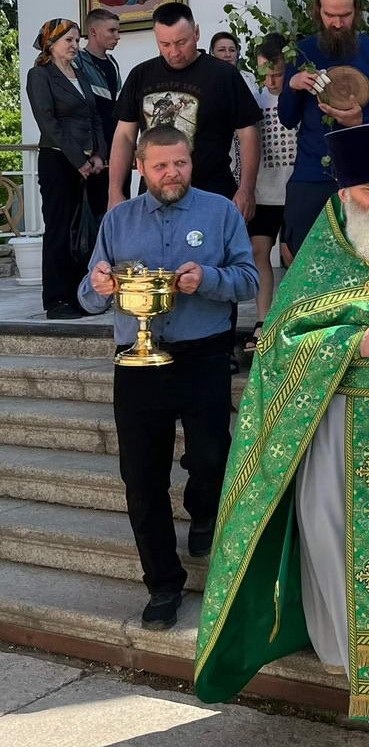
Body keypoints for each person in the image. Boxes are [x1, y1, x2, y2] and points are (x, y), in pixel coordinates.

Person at [193, 120, 369, 747]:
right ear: (345, 192)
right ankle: (361, 674)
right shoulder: (322, 255)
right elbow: (278, 348)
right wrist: (355, 342)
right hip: (340, 435)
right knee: (340, 553)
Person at [78, 126, 258, 630]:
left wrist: (209, 278)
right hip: (136, 361)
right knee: (141, 477)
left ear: (191, 161)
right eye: (160, 166)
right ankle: (162, 583)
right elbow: (88, 296)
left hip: (203, 355)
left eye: (180, 163)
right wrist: (98, 285)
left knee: (211, 456)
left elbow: (249, 279)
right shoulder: (118, 220)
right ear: (140, 167)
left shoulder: (219, 212)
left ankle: (203, 508)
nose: (172, 174)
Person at [277, 0, 369, 259]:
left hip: (367, 177)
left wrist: (362, 121)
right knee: (306, 261)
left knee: (367, 262)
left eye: (345, 15)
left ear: (356, 11)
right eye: (330, 15)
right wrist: (293, 86)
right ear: (318, 11)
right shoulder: (302, 53)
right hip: (312, 174)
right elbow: (287, 118)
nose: (337, 23)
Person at [108, 2, 261, 219]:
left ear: (196, 33)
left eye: (182, 42)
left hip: (211, 194)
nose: (174, 52)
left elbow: (248, 133)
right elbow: (124, 136)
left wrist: (246, 188)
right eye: (165, 44)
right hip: (155, 198)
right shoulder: (140, 75)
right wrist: (115, 191)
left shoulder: (223, 75)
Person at [26, 19, 106, 319]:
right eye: (69, 40)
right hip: (59, 161)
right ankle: (57, 300)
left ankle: (78, 295)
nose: (75, 45)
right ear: (51, 43)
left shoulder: (79, 73)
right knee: (60, 229)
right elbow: (48, 122)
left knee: (82, 230)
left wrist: (98, 154)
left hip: (87, 163)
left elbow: (94, 116)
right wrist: (78, 159)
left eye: (77, 40)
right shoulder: (40, 75)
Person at [243, 32, 297, 354]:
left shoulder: (298, 96)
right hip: (264, 190)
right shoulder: (254, 101)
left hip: (295, 190)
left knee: (292, 255)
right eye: (266, 74)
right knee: (258, 251)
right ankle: (262, 320)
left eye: (277, 74)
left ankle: (292, 319)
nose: (271, 81)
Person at [77, 7, 124, 217]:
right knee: (93, 210)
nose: (117, 36)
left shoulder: (113, 62)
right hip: (92, 150)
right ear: (94, 31)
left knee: (118, 204)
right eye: (112, 31)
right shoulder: (77, 61)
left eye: (118, 31)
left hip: (116, 146)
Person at [209, 30, 259, 189]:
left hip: (246, 141)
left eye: (232, 50)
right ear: (212, 53)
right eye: (221, 50)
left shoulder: (249, 78)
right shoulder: (208, 80)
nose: (227, 54)